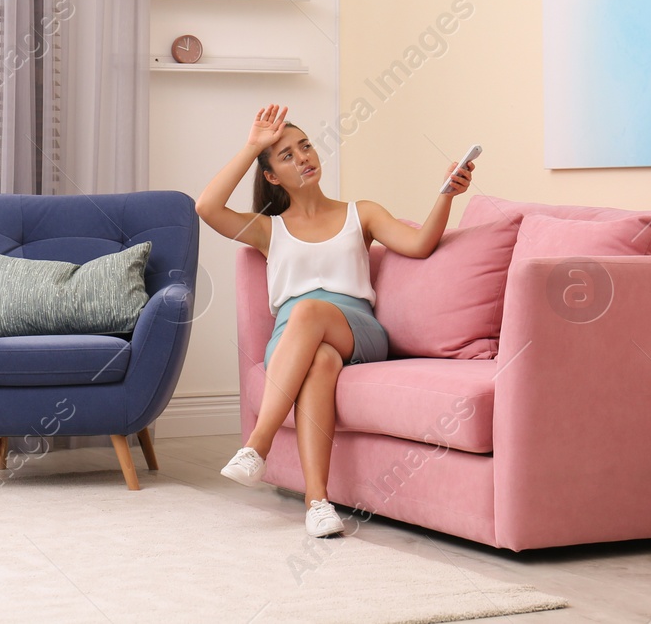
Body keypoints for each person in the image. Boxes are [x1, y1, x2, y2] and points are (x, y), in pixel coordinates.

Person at [194, 102, 474, 538]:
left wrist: (446, 196)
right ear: (271, 176)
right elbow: (207, 207)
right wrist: (253, 147)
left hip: (357, 331)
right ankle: (319, 503)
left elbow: (419, 244)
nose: (303, 157)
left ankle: (257, 445)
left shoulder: (360, 213)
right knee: (319, 361)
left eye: (305, 147)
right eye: (287, 155)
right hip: (294, 340)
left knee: (309, 311)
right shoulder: (269, 230)